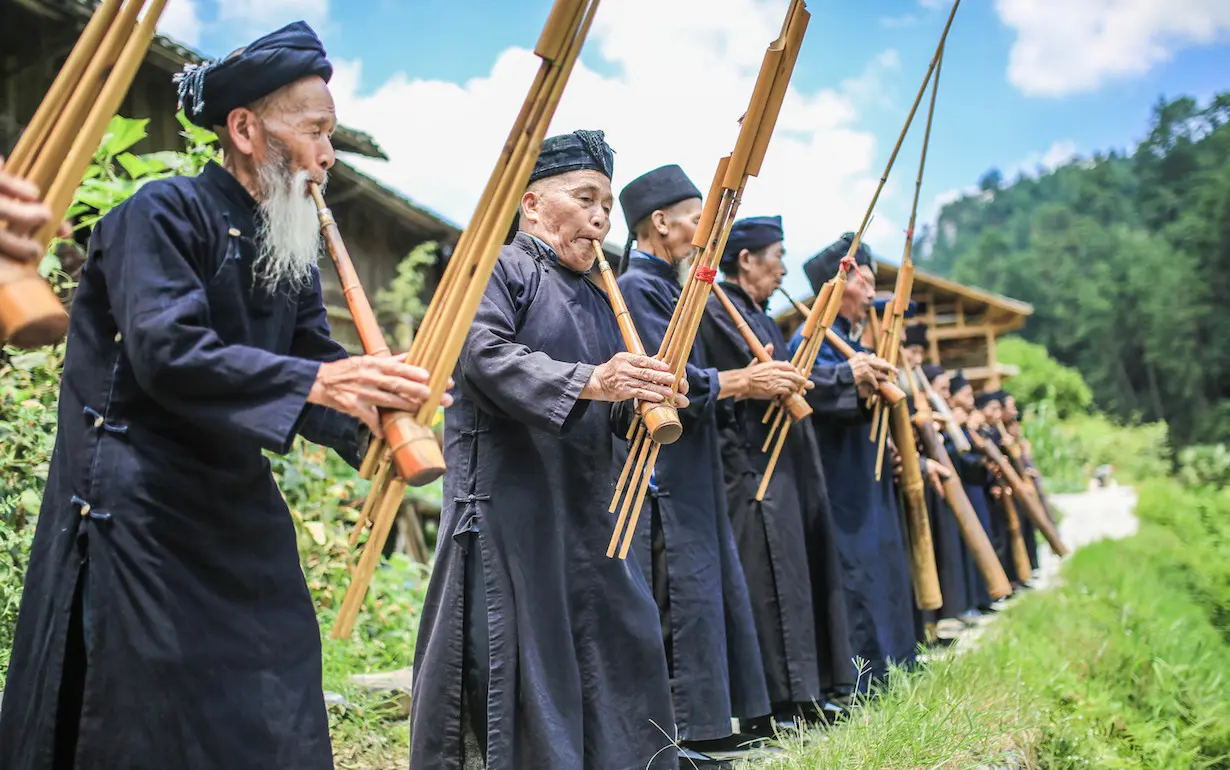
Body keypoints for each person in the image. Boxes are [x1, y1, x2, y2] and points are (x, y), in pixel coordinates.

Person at [0, 21, 442, 770]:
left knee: (279, 659)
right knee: (151, 697)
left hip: (231, 488)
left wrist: (375, 416)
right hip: (136, 495)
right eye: (315, 131)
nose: (328, 155)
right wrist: (319, 381)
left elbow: (310, 352)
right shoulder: (159, 214)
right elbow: (167, 352)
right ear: (244, 129)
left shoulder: (285, 236)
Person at [409, 130, 683, 770]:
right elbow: (482, 355)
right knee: (519, 657)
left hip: (590, 503)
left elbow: (610, 392)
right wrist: (594, 380)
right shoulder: (494, 267)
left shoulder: (597, 290)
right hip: (511, 502)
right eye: (585, 198)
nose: (600, 218)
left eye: (608, 206)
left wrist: (640, 403)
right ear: (532, 205)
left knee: (620, 637)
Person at [614, 167, 784, 762]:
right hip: (667, 466)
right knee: (682, 590)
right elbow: (667, 376)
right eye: (695, 218)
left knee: (710, 589)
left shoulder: (680, 286)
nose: (703, 230)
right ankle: (684, 731)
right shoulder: (638, 287)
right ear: (660, 223)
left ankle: (713, 722)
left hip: (699, 461)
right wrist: (743, 381)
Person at [699, 215, 853, 727]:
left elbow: (797, 375)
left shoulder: (761, 314)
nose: (784, 268)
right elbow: (733, 383)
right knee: (768, 579)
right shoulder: (716, 309)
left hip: (786, 460)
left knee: (797, 571)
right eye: (777, 256)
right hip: (749, 463)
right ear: (745, 259)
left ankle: (808, 693)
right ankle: (778, 705)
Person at [789, 233, 913, 687]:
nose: (872, 297)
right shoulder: (812, 338)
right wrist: (849, 374)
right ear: (846, 281)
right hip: (837, 485)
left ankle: (895, 665)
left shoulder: (849, 338)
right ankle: (863, 678)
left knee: (882, 568)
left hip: (868, 477)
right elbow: (801, 382)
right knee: (855, 575)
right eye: (868, 284)